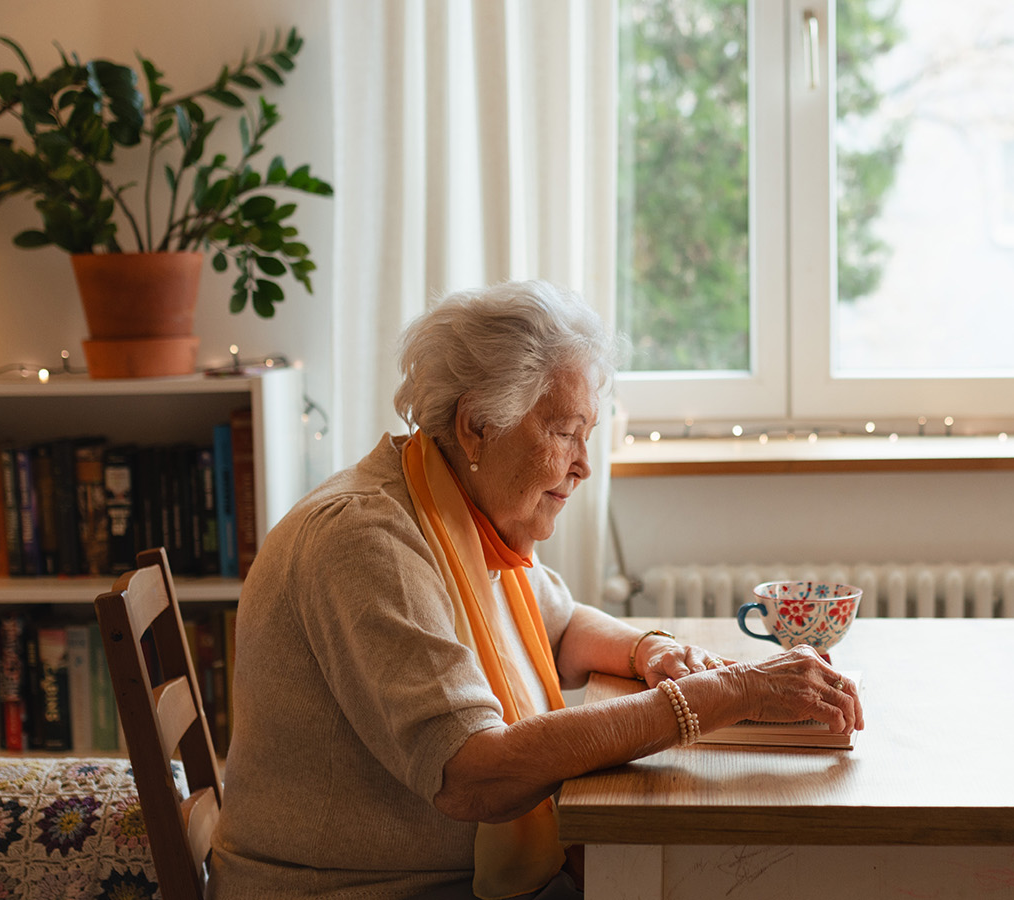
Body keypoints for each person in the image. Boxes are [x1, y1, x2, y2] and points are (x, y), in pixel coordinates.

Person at [208, 280, 864, 900]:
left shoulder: (456, 514)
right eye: (563, 433)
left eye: (588, 436)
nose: (581, 465)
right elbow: (475, 775)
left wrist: (649, 652)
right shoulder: (368, 540)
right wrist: (715, 696)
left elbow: (565, 626)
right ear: (477, 427)